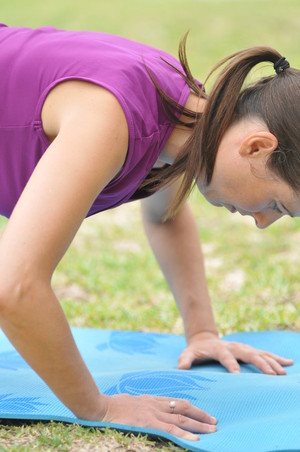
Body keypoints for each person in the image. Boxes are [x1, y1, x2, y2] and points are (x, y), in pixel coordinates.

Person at [0, 23, 297, 442]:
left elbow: (166, 216)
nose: (264, 222)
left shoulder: (188, 120)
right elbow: (16, 288)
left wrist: (202, 332)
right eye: (277, 205)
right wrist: (98, 406)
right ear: (256, 147)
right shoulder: (112, 118)